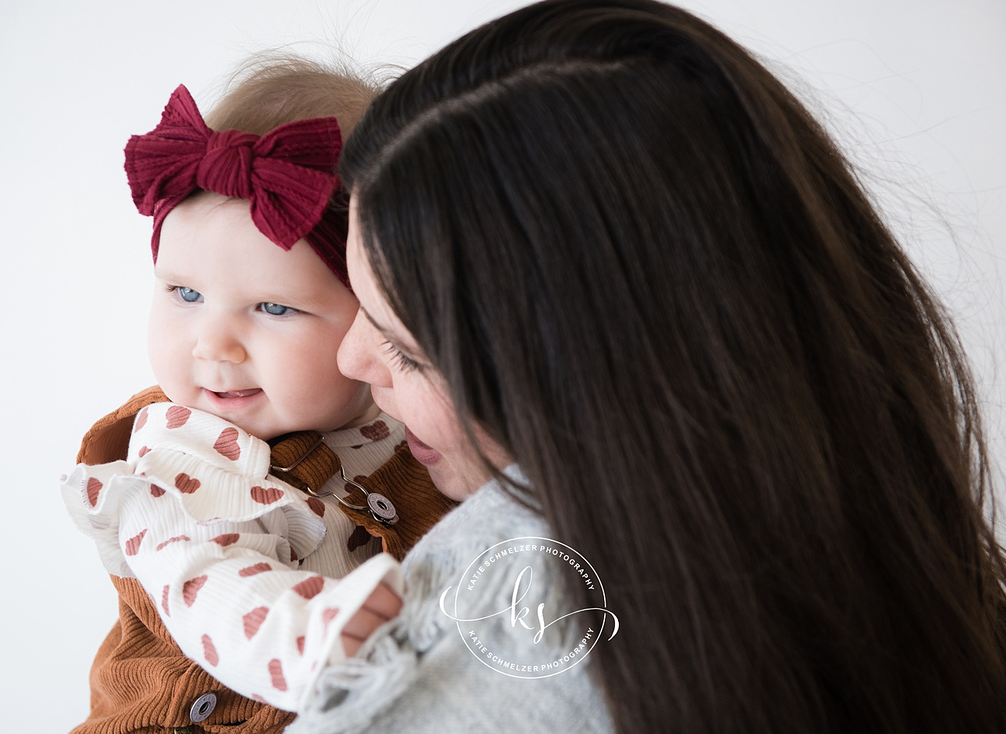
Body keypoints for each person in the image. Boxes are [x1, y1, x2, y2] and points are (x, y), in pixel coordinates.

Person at [286, 0, 1006, 731]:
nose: (350, 359)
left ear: (596, 385)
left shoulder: (500, 636)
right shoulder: (904, 566)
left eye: (406, 349)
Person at [61, 56, 453, 734]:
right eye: (185, 294)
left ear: (379, 310)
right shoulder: (181, 452)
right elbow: (206, 583)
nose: (214, 346)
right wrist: (311, 636)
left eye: (272, 308)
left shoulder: (402, 420)